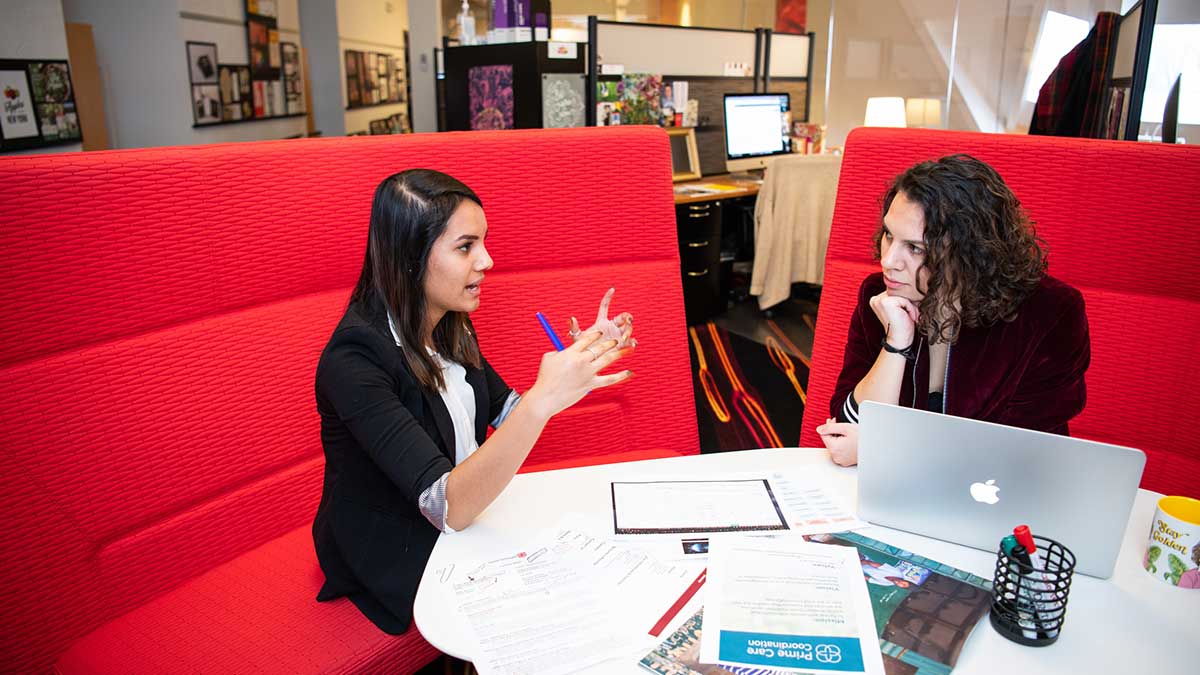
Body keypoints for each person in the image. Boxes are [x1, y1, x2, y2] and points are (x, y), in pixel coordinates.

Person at [312, 169, 635, 633]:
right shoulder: (353, 360)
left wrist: (577, 363)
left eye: (482, 243)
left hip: (465, 521)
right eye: (466, 247)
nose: (487, 260)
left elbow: (506, 412)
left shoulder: (447, 321)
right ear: (410, 257)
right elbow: (448, 505)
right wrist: (543, 399)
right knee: (564, 604)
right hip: (396, 543)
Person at [816, 154, 1089, 466]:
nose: (889, 260)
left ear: (970, 252)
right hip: (890, 495)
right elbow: (847, 428)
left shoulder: (1050, 312)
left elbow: (1028, 448)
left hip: (998, 502)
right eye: (889, 235)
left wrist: (883, 448)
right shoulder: (880, 296)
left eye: (915, 248)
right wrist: (896, 344)